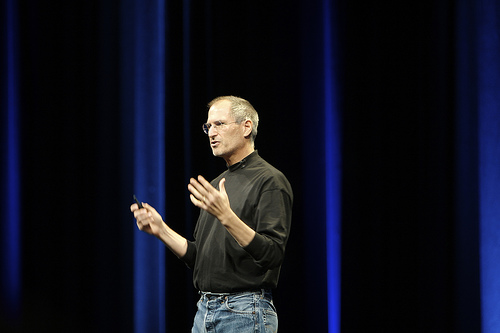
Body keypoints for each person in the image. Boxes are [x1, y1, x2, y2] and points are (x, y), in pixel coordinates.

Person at [131, 96, 293, 332]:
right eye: (208, 126)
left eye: (220, 124)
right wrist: (161, 230)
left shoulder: (269, 180)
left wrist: (227, 217)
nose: (211, 133)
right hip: (205, 311)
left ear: (246, 127)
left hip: (245, 311)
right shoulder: (217, 185)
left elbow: (272, 254)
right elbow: (201, 259)